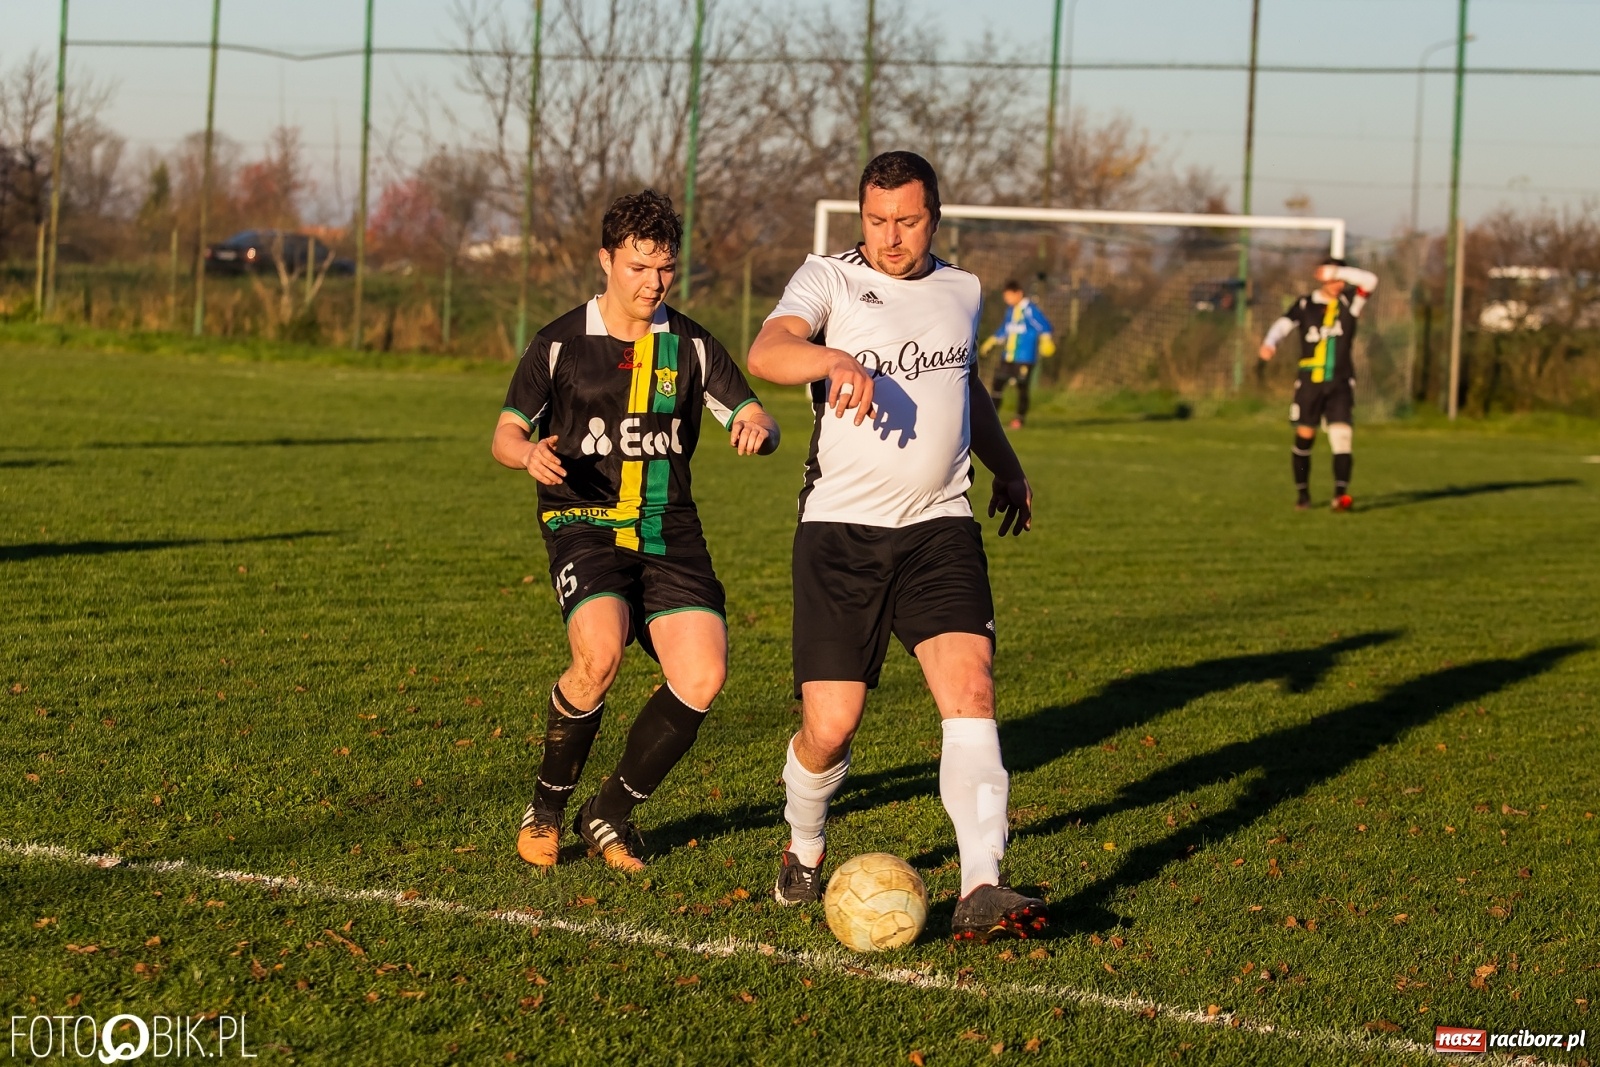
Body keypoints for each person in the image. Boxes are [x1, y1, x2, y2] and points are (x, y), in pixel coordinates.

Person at [747, 151, 1047, 943]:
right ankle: (804, 842)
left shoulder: (964, 290)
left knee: (971, 688)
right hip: (840, 536)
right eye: (877, 221)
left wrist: (1008, 468)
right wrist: (830, 357)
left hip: (940, 527)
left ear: (935, 217)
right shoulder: (830, 279)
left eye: (907, 221)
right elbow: (767, 350)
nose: (890, 237)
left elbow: (965, 386)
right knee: (833, 724)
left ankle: (981, 881)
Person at [492, 189, 780, 874]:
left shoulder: (691, 345)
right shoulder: (559, 342)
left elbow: (756, 413)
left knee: (704, 674)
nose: (652, 283)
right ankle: (548, 807)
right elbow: (505, 431)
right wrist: (527, 451)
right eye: (637, 267)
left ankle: (610, 810)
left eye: (665, 269)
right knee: (599, 652)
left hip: (669, 529)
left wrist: (757, 428)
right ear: (605, 260)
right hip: (582, 521)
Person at [1259, 258, 1379, 511]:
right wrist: (1271, 343)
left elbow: (1370, 281)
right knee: (1305, 437)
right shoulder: (1305, 304)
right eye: (1332, 279)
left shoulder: (1350, 302)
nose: (1337, 284)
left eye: (1341, 279)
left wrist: (1339, 271)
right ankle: (1303, 495)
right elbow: (1282, 325)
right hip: (1310, 383)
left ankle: (1340, 495)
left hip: (1340, 382)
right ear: (1322, 278)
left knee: (1342, 437)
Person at [980, 279, 1055, 429]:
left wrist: (1046, 339)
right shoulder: (1010, 311)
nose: (1006, 299)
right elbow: (1004, 329)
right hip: (1008, 356)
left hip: (1024, 357)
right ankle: (991, 418)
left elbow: (1044, 325)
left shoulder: (1029, 310)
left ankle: (1019, 419)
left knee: (1022, 387)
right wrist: (992, 341)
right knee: (997, 384)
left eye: (1008, 296)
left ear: (1018, 293)